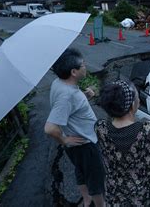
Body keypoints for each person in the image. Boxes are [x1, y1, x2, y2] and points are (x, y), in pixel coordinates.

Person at [96, 80, 150, 206]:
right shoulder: (147, 130)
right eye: (138, 97)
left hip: (118, 192)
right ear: (133, 105)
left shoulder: (100, 128)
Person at [44, 48, 105, 207]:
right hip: (84, 144)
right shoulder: (67, 94)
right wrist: (64, 140)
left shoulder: (59, 83)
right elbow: (49, 128)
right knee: (96, 178)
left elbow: (69, 106)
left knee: (81, 171)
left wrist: (85, 96)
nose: (85, 67)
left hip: (76, 143)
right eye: (82, 65)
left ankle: (86, 200)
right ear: (73, 72)